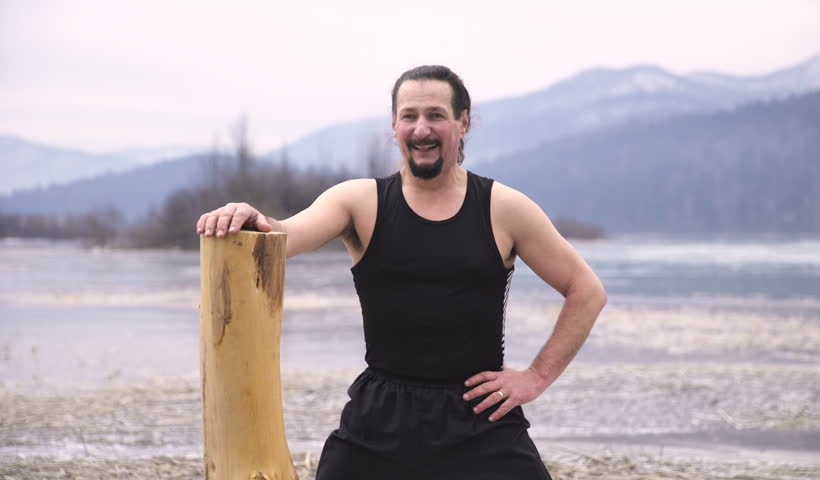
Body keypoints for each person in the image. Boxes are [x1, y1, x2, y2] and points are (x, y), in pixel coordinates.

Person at [196, 65, 606, 479]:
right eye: (409, 116)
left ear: (463, 122)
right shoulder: (359, 202)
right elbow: (282, 236)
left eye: (435, 115)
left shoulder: (504, 208)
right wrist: (250, 218)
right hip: (378, 425)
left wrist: (535, 377)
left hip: (480, 420)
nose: (421, 128)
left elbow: (586, 290)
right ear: (394, 125)